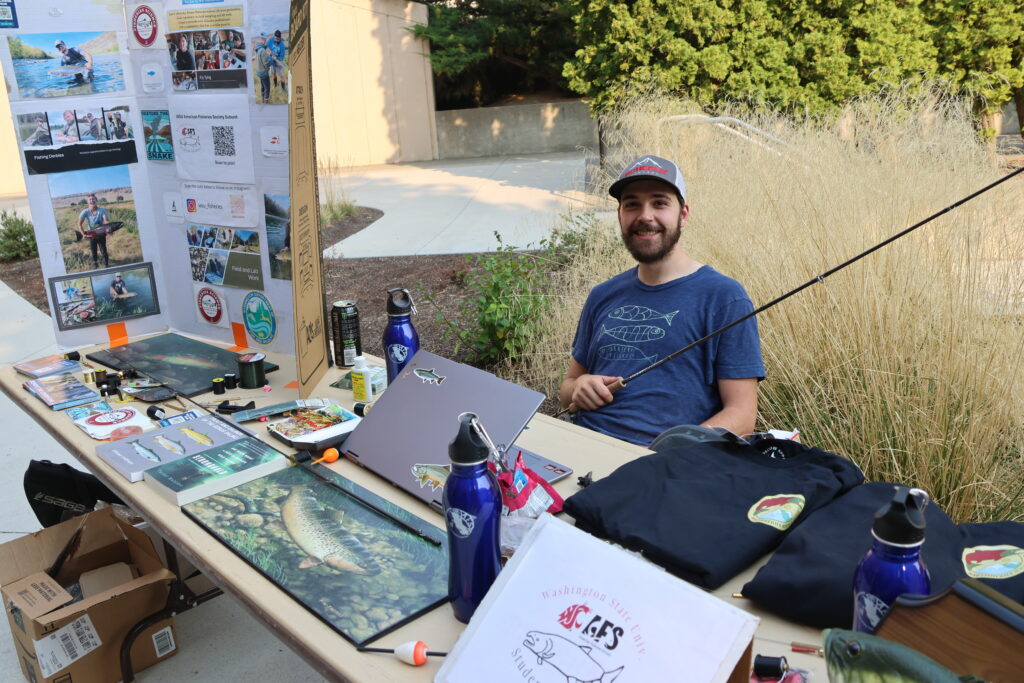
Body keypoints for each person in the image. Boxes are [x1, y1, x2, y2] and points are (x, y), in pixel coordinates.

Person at [558, 155, 765, 446]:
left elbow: (742, 415)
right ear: (620, 215)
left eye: (659, 203)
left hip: (668, 464)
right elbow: (567, 387)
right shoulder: (602, 295)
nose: (645, 216)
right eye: (632, 204)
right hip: (582, 444)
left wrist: (673, 452)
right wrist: (578, 386)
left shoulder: (724, 297)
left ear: (683, 214)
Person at [77, 193, 111, 269]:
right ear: (87, 202)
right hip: (91, 235)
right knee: (93, 252)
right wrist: (83, 234)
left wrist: (109, 229)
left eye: (93, 199)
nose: (92, 201)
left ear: (96, 200)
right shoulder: (85, 212)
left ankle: (106, 265)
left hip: (101, 234)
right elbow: (79, 224)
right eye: (90, 200)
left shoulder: (102, 210)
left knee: (104, 251)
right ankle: (95, 265)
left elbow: (106, 221)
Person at [253, 39, 279, 104]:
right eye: (265, 42)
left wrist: (269, 56)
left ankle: (262, 99)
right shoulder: (263, 50)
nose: (265, 43)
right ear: (263, 43)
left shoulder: (257, 50)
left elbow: (262, 59)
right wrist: (272, 59)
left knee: (263, 87)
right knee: (267, 88)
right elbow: (266, 63)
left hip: (259, 71)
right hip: (264, 73)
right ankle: (266, 103)